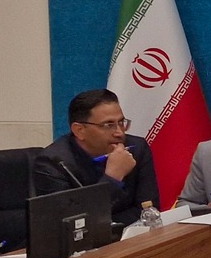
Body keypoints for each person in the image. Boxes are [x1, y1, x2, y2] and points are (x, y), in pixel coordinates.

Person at [33, 89, 160, 226]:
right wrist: (113, 178)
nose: (119, 133)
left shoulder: (137, 148)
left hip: (132, 234)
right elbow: (70, 224)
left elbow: (148, 210)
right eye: (108, 125)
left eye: (121, 122)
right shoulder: (52, 164)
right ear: (79, 131)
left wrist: (108, 223)